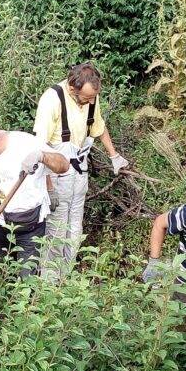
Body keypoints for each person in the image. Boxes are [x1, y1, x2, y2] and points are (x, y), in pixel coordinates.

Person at [33, 63, 130, 279]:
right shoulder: (52, 99)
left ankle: (65, 279)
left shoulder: (91, 99)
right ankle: (49, 283)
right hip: (56, 176)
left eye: (93, 97)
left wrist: (115, 157)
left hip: (79, 173)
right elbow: (41, 149)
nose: (91, 102)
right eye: (86, 98)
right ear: (72, 88)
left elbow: (99, 127)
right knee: (56, 231)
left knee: (75, 230)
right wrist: (49, 188)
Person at [0, 121, 70, 278]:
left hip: (31, 226)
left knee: (27, 282)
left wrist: (42, 156)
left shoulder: (25, 144)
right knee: (3, 276)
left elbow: (64, 165)